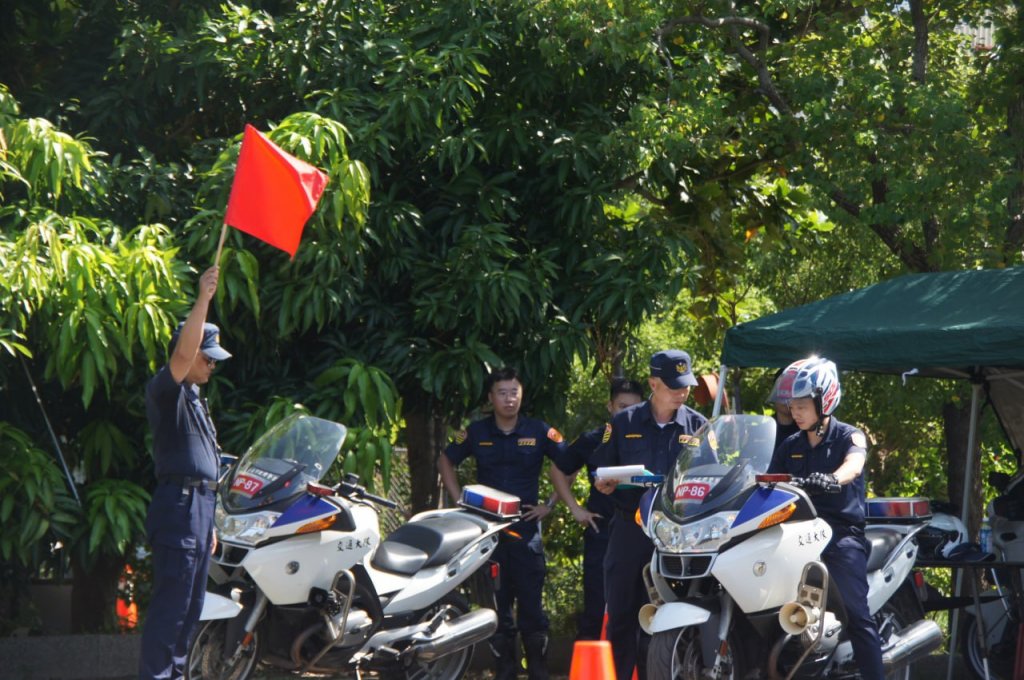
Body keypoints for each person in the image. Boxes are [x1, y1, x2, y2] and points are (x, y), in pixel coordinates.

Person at [438, 367, 566, 680]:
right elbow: (445, 460)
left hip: (524, 530)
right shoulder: (475, 432)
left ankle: (537, 669)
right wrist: (460, 502)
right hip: (487, 531)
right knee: (496, 607)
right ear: (490, 398)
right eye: (502, 393)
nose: (509, 399)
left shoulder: (539, 430)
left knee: (532, 609)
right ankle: (504, 670)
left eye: (514, 392)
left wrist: (549, 504)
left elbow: (569, 461)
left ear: (521, 395)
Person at [139, 266, 231, 680]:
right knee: (170, 611)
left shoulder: (196, 398)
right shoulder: (168, 390)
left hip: (198, 511)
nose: (211, 366)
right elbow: (181, 355)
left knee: (189, 612)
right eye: (207, 357)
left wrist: (208, 519)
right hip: (178, 509)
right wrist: (203, 300)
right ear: (191, 352)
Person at [593, 350, 708, 680]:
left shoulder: (698, 425)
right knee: (622, 613)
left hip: (678, 534)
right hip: (631, 529)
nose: (682, 393)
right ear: (653, 384)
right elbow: (599, 469)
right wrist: (603, 483)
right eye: (673, 386)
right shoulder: (623, 423)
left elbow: (712, 475)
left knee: (668, 616)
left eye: (685, 386)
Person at [767, 356, 884, 680]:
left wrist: (833, 478)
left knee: (856, 615)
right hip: (796, 534)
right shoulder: (790, 444)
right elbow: (769, 480)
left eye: (803, 404)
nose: (795, 411)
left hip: (839, 534)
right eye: (792, 405)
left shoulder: (850, 436)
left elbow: (854, 464)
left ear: (825, 401)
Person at [550, 378, 645, 640]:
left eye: (633, 408)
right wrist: (575, 509)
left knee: (641, 608)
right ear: (610, 406)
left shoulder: (651, 437)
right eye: (621, 407)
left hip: (641, 531)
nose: (626, 414)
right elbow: (558, 470)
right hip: (602, 532)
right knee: (597, 607)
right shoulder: (595, 439)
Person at [767, 368, 800, 451]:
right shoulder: (763, 430)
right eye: (783, 392)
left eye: (791, 392)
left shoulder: (808, 432)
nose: (786, 399)